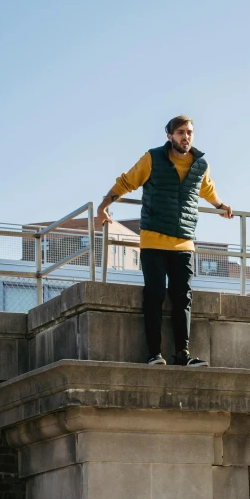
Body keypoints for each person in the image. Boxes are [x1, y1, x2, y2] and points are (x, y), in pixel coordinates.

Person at [97, 115, 232, 366]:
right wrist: (103, 207)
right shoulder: (153, 158)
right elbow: (127, 181)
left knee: (183, 298)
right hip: (153, 240)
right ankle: (154, 354)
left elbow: (206, 188)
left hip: (184, 242)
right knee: (155, 295)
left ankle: (183, 354)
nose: (186, 137)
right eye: (180, 132)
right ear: (169, 136)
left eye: (189, 132)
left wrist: (221, 205)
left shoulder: (200, 164)